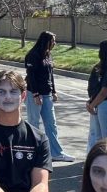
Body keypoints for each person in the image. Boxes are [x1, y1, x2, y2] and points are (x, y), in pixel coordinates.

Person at [24, 31, 74, 162]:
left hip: (47, 95)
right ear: (46, 41)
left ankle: (56, 153)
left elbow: (50, 74)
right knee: (34, 123)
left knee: (51, 124)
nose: (55, 43)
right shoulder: (33, 55)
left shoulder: (48, 55)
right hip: (34, 94)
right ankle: (33, 152)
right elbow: (31, 76)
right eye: (53, 41)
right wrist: (35, 94)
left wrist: (54, 91)